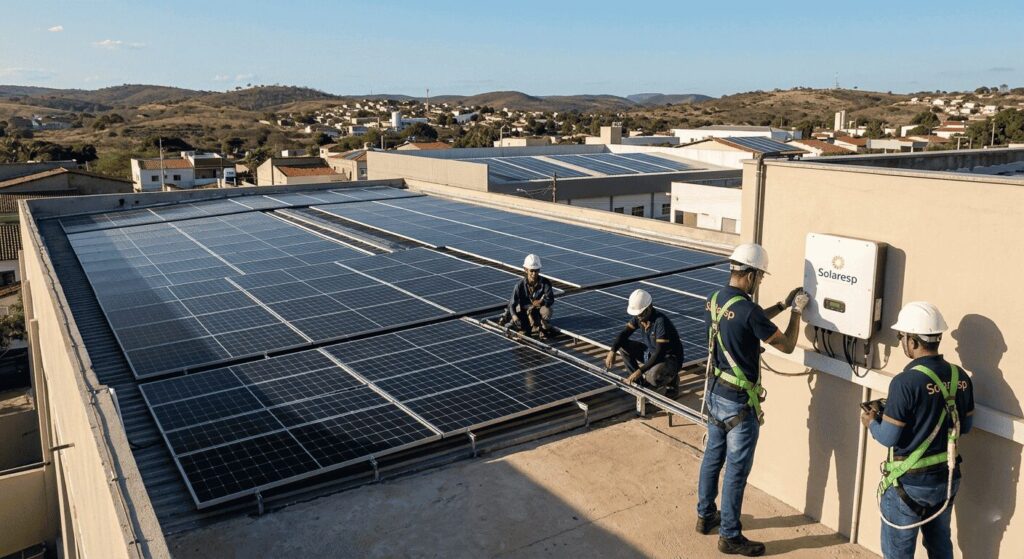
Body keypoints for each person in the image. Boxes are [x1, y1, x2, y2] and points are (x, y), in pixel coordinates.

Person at [696, 243, 807, 557]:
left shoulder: (714, 300)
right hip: (738, 404)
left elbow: (751, 320)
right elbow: (785, 345)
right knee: (736, 471)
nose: (759, 282)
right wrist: (796, 313)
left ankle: (705, 516)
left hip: (716, 393)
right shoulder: (747, 310)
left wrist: (782, 305)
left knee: (712, 458)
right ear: (753, 274)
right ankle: (729, 535)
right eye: (759, 277)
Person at [863, 301, 974, 559]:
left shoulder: (905, 382)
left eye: (902, 336)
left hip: (909, 484)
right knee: (939, 546)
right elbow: (965, 427)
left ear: (912, 341)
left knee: (898, 553)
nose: (902, 341)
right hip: (946, 479)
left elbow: (888, 437)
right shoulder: (961, 377)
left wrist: (871, 422)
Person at [603, 288, 684, 397]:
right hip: (651, 353)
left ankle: (671, 380)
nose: (638, 317)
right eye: (637, 315)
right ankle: (639, 383)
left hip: (668, 359)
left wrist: (640, 371)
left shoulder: (661, 322)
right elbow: (623, 334)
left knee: (653, 377)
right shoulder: (639, 318)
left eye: (640, 314)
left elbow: (660, 353)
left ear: (649, 307)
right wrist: (612, 351)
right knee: (622, 346)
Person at [501, 254, 555, 338]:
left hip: (538, 312)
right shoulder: (520, 285)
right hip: (524, 313)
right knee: (517, 325)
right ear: (526, 270)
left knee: (547, 311)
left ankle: (542, 324)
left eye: (536, 270)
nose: (534, 273)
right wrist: (515, 317)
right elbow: (512, 304)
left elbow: (550, 299)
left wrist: (541, 302)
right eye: (532, 271)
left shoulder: (545, 283)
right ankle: (533, 327)